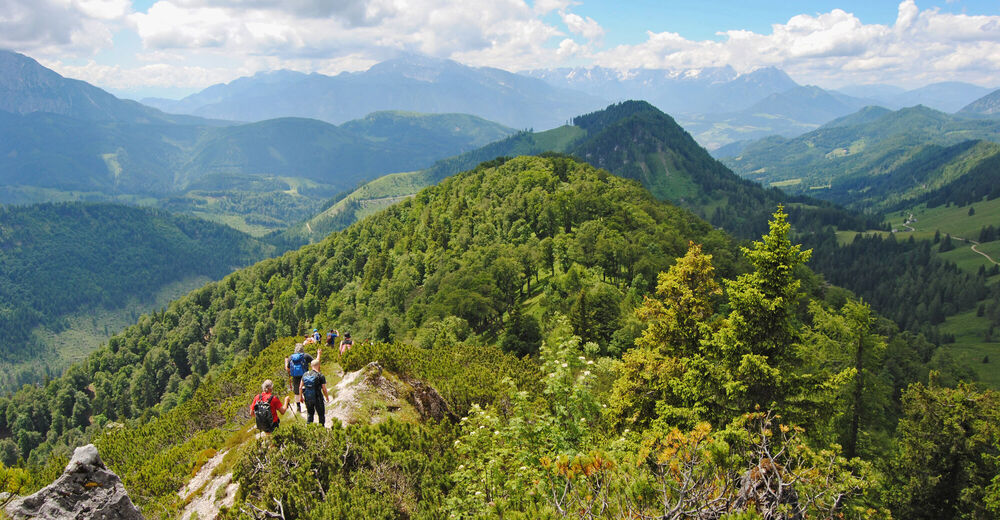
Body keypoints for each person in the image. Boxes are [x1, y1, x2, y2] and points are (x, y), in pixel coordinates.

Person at [284, 343, 320, 412]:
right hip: (305, 375)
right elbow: (315, 363)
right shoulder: (305, 355)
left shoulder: (291, 357)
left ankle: (298, 407)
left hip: (295, 377)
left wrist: (286, 362)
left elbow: (287, 369)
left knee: (297, 391)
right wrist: (318, 354)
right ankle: (309, 405)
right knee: (307, 389)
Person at [299, 359, 331, 425]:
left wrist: (301, 397)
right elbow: (324, 389)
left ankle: (309, 430)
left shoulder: (305, 375)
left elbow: (300, 387)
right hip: (318, 398)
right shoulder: (320, 375)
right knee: (321, 415)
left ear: (311, 365)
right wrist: (327, 397)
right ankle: (321, 430)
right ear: (318, 365)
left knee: (310, 414)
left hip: (308, 398)